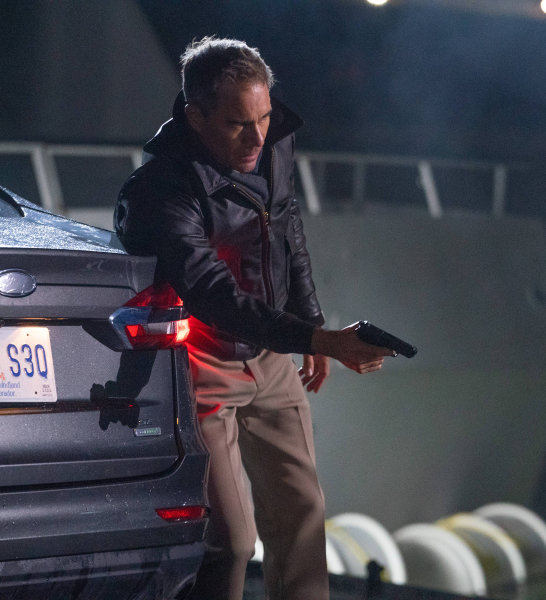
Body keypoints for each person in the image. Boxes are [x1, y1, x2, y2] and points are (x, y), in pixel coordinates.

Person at [114, 37, 392, 600]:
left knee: (303, 513)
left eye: (264, 117)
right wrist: (318, 338)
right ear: (196, 116)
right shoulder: (162, 187)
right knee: (232, 542)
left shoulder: (273, 143)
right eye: (238, 123)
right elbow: (212, 294)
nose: (258, 136)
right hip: (203, 362)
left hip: (270, 353)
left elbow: (288, 231)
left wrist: (310, 326)